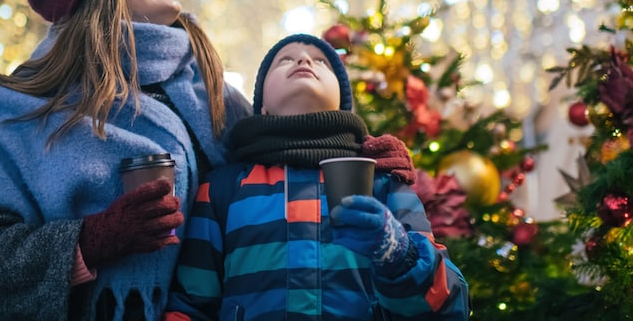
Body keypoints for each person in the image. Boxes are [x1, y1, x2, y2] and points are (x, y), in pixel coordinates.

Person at [0, 0, 415, 321]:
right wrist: (88, 241)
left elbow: (279, 162)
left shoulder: (212, 97)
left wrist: (358, 151)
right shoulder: (30, 110)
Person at [166, 34, 470, 320]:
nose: (304, 61)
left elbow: (449, 304)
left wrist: (398, 253)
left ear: (342, 101)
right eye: (285, 59)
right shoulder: (222, 188)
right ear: (262, 106)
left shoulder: (383, 180)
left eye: (321, 61)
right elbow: (192, 304)